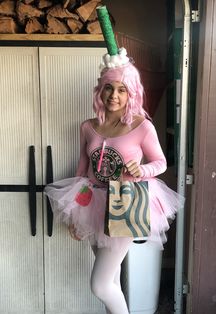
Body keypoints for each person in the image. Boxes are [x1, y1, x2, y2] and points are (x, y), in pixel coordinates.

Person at [44, 49, 184, 314]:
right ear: (101, 90)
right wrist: (76, 215)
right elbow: (83, 172)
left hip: (125, 204)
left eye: (122, 89)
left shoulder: (142, 126)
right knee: (111, 279)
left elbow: (161, 163)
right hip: (93, 204)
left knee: (100, 285)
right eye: (109, 88)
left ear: (131, 93)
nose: (114, 96)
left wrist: (141, 170)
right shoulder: (87, 127)